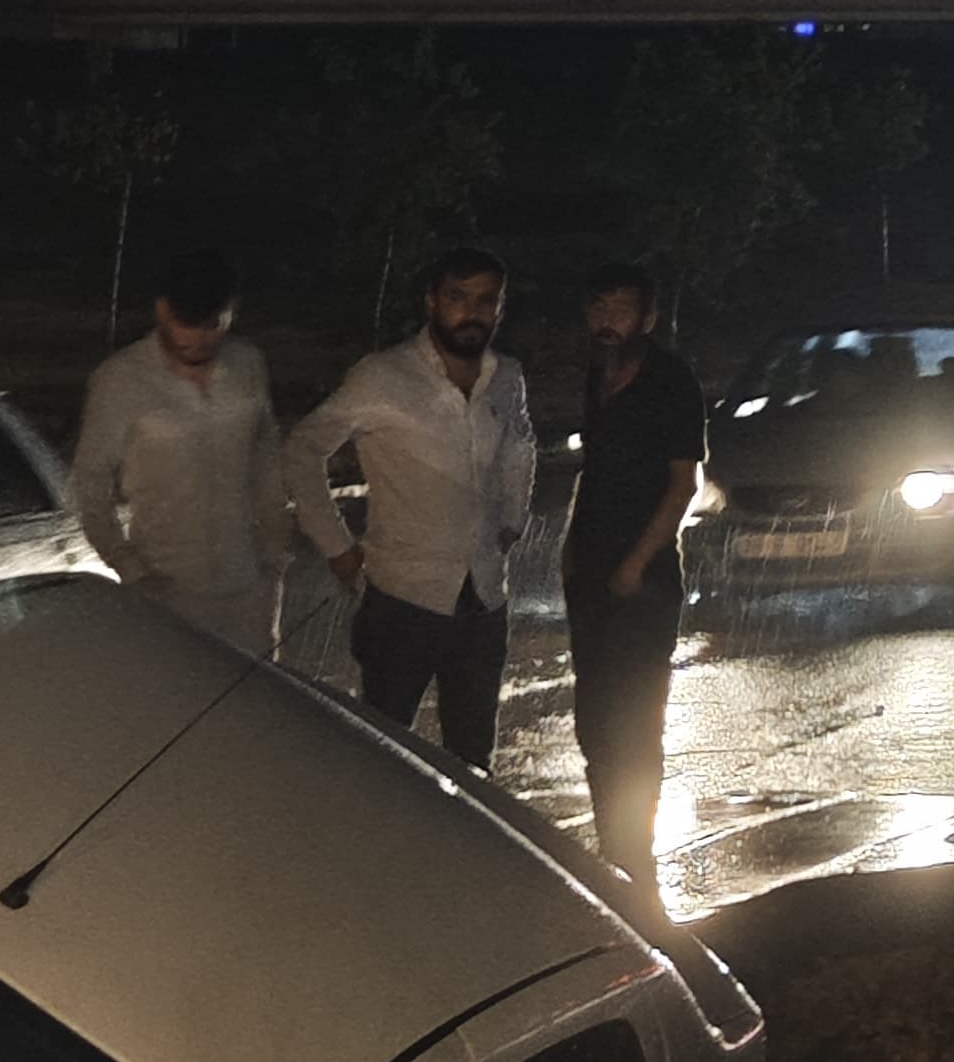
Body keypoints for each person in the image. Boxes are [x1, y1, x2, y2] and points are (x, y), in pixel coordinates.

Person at [283, 246, 536, 768]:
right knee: (385, 759)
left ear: (501, 308)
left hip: (484, 600)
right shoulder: (384, 377)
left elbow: (521, 445)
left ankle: (463, 850)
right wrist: (335, 546)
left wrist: (514, 516)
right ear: (431, 302)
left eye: (486, 300)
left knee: (473, 764)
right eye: (457, 298)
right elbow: (304, 448)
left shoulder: (506, 376)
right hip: (403, 602)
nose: (471, 312)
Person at [559, 261, 707, 896]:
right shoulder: (598, 375)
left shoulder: (672, 381)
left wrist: (634, 563)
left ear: (648, 316)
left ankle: (636, 854)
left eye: (621, 308)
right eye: (599, 307)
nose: (607, 320)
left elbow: (683, 484)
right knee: (594, 712)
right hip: (589, 568)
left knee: (637, 717)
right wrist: (572, 546)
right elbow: (593, 471)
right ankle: (609, 842)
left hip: (643, 581)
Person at [68, 246, 293, 661]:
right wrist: (130, 569)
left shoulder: (248, 365)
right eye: (185, 323)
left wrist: (275, 558)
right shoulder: (120, 380)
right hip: (168, 592)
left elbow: (266, 458)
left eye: (212, 325)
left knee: (256, 711)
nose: (197, 339)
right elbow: (89, 481)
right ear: (162, 309)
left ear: (231, 311)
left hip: (249, 589)